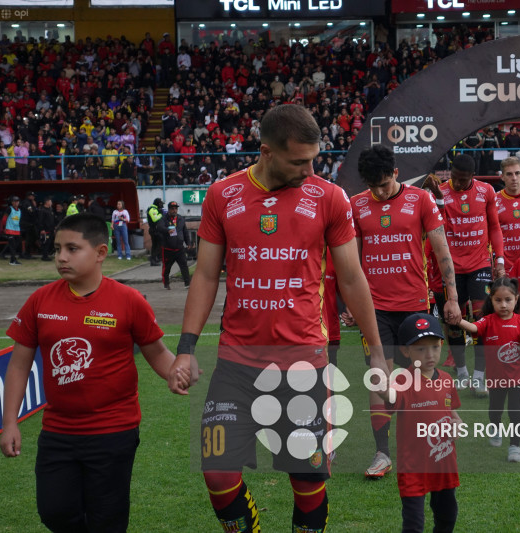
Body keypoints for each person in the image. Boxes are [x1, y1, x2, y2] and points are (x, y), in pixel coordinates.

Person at [172, 104, 386, 533]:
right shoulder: (222, 196)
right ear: (266, 152)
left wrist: (377, 352)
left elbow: (351, 277)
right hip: (236, 364)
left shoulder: (328, 197)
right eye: (299, 161)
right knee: (217, 474)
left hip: (303, 366)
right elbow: (207, 275)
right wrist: (185, 348)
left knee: (306, 478)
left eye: (314, 159)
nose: (310, 170)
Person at [0, 213, 187, 532]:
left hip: (113, 431)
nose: (60, 257)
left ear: (101, 252)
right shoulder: (39, 301)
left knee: (107, 519)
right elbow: (19, 365)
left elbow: (156, 352)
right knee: (54, 512)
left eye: (72, 248)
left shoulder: (128, 301)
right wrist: (9, 424)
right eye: (58, 248)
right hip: (58, 431)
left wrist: (176, 372)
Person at [345, 145, 460, 480]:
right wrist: (350, 305)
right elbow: (351, 262)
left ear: (395, 173)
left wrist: (451, 297)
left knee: (416, 380)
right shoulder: (357, 205)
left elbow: (441, 248)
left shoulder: (420, 200)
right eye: (373, 186)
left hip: (414, 305)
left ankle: (422, 443)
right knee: (379, 378)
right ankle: (382, 453)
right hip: (373, 309)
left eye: (384, 184)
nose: (379, 192)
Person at [425, 154, 505, 397]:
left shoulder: (486, 191)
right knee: (453, 321)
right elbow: (433, 227)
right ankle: (461, 373)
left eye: (463, 180)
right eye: (455, 178)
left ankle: (480, 377)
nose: (458, 184)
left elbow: (494, 226)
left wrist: (499, 260)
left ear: (473, 176)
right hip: (449, 268)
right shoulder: (440, 192)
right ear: (451, 173)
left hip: (480, 264)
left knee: (483, 320)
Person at [381, 313, 461, 533]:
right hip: (413, 467)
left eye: (435, 347)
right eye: (421, 349)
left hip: (443, 462)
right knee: (414, 524)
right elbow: (392, 397)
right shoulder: (402, 380)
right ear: (406, 351)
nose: (430, 355)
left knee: (447, 516)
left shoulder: (446, 379)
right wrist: (383, 391)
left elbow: (451, 411)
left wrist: (456, 422)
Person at [458, 277, 520, 462]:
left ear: (516, 299)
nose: (503, 305)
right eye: (498, 300)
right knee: (495, 409)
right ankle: (495, 428)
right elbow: (473, 327)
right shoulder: (488, 321)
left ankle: (514, 447)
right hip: (496, 379)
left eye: (508, 300)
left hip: (519, 378)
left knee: (515, 412)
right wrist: (459, 320)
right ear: (491, 301)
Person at [158, 201, 191, 289]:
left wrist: (188, 243)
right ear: (169, 210)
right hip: (168, 249)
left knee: (184, 266)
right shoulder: (164, 219)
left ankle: (187, 284)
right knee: (167, 268)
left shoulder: (180, 219)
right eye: (172, 209)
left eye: (176, 209)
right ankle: (166, 284)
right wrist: (167, 230)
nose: (174, 210)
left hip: (179, 248)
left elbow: (185, 232)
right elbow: (160, 227)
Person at [0, 195, 22, 266]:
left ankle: (6, 255)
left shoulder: (19, 210)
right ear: (12, 202)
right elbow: (4, 219)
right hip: (10, 230)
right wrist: (3, 228)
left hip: (17, 231)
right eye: (15, 201)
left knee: (15, 246)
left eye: (17, 201)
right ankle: (12, 261)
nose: (16, 203)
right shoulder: (9, 209)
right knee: (12, 246)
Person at [20, 191, 38, 259]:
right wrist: (35, 207)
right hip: (27, 224)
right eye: (32, 196)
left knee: (33, 238)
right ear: (29, 196)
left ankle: (27, 253)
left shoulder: (29, 202)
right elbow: (32, 213)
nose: (33, 197)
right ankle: (26, 254)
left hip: (30, 224)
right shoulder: (27, 203)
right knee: (29, 239)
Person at [37, 197, 56, 261]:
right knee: (45, 242)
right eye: (50, 201)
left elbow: (52, 220)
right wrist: (42, 229)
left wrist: (53, 228)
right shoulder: (42, 210)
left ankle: (46, 255)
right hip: (45, 229)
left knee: (49, 242)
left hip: (50, 229)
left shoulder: (50, 209)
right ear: (47, 202)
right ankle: (44, 256)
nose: (51, 203)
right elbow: (40, 220)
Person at [147, 197, 164, 266]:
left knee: (158, 245)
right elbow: (155, 219)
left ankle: (155, 258)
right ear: (158, 203)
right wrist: (161, 214)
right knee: (155, 246)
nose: (162, 205)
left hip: (157, 229)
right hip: (154, 230)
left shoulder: (155, 209)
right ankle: (153, 260)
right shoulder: (152, 209)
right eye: (161, 204)